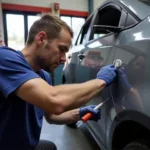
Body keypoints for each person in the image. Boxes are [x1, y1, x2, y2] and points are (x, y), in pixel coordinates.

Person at [0, 13, 117, 150]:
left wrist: (79, 114)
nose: (63, 59)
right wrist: (100, 81)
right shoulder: (5, 58)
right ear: (41, 39)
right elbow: (54, 100)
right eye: (61, 49)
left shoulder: (43, 76)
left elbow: (51, 116)